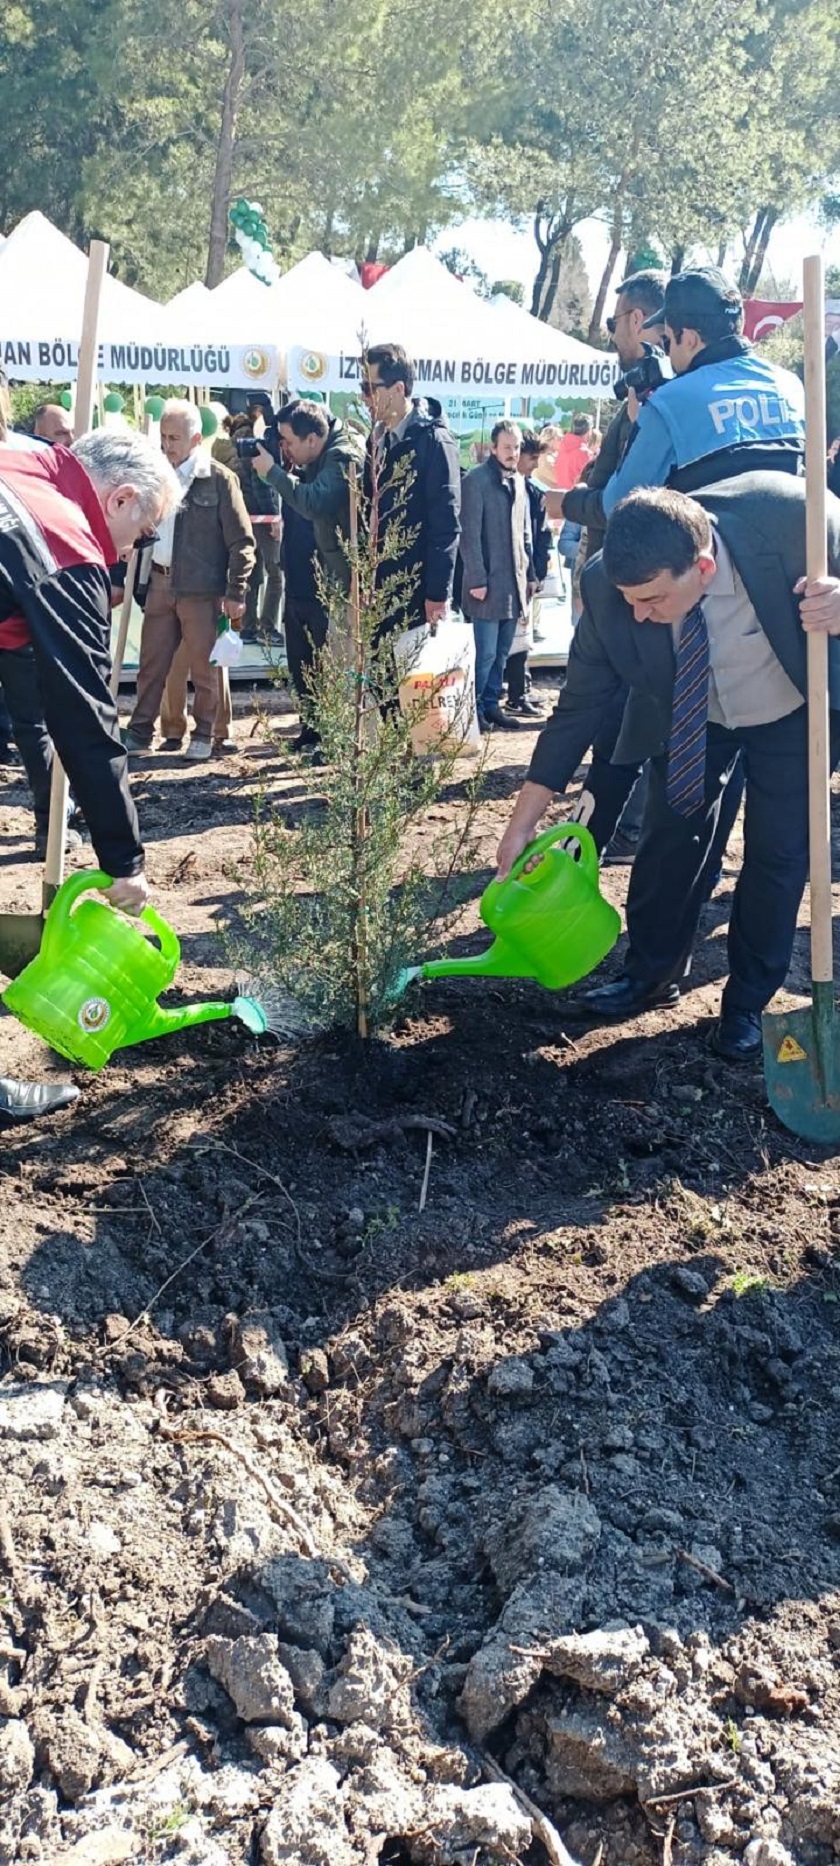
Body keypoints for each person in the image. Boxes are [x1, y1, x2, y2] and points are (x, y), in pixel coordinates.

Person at [497, 477, 840, 1061]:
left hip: (792, 710)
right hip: (693, 714)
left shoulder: (798, 523)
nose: (638, 613)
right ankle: (650, 973)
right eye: (630, 599)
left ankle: (746, 1005)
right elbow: (578, 707)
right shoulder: (612, 589)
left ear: (702, 569)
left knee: (777, 856)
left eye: (652, 600)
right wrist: (522, 823)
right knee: (670, 833)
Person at [0, 427, 181, 1122]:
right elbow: (85, 718)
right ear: (122, 497)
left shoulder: (23, 456)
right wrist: (123, 859)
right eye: (142, 532)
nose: (133, 553)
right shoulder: (69, 539)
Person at [555, 268, 804, 530]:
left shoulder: (668, 403)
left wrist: (569, 503)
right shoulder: (792, 387)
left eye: (668, 340)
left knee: (596, 572)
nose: (667, 353)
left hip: (710, 563)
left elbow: (618, 505)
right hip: (791, 557)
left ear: (690, 339)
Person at [124, 400, 254, 762]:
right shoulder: (153, 476)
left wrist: (235, 591)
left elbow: (242, 542)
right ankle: (139, 731)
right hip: (160, 583)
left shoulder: (219, 479)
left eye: (175, 437)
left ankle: (204, 733)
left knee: (205, 669)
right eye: (164, 436)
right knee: (152, 665)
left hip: (202, 590)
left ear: (196, 438)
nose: (167, 445)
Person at [361, 343, 461, 634]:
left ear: (398, 388)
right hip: (380, 590)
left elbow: (446, 525)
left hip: (417, 596)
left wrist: (437, 594)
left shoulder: (435, 443)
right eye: (362, 386)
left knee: (416, 679)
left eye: (370, 388)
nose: (364, 397)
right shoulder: (377, 440)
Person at [460, 420, 534, 732]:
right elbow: (469, 536)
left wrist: (530, 575)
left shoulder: (519, 482)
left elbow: (526, 533)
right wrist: (477, 579)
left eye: (516, 447)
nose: (513, 453)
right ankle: (472, 710)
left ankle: (491, 706)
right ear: (493, 447)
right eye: (507, 447)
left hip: (513, 584)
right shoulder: (475, 482)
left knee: (503, 652)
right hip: (486, 586)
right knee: (484, 654)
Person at [254, 399, 363, 600]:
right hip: (338, 574)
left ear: (311, 440)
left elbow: (314, 502)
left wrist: (273, 473)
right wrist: (287, 472)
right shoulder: (323, 448)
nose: (284, 448)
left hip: (353, 583)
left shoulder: (343, 453)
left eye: (289, 442)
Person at [505, 430, 552, 717]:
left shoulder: (533, 491)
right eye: (532, 458)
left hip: (528, 575)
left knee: (523, 637)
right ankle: (515, 693)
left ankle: (520, 687)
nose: (535, 465)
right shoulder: (508, 488)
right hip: (513, 576)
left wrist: (538, 573)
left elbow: (540, 538)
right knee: (514, 639)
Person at [549, 414, 595, 491]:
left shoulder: (561, 450)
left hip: (561, 496)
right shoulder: (586, 454)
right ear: (589, 430)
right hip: (577, 497)